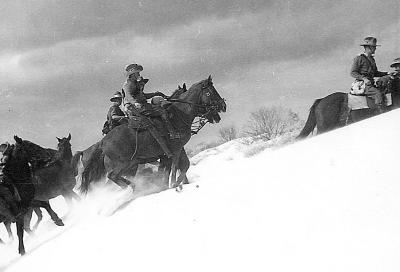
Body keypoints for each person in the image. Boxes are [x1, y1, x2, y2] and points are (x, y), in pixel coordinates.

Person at [122, 63, 179, 139]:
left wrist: (155, 94)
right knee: (162, 111)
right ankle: (172, 133)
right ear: (133, 74)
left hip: (140, 105)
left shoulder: (134, 84)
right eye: (137, 73)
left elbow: (143, 95)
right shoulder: (128, 84)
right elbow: (128, 95)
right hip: (136, 107)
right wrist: (135, 103)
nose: (139, 74)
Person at [350, 37, 389, 111]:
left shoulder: (372, 59)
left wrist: (387, 73)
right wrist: (364, 78)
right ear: (367, 47)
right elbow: (353, 72)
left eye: (375, 47)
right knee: (378, 94)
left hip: (370, 83)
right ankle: (380, 113)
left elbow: (375, 73)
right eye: (373, 47)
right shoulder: (359, 58)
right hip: (363, 85)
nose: (375, 49)